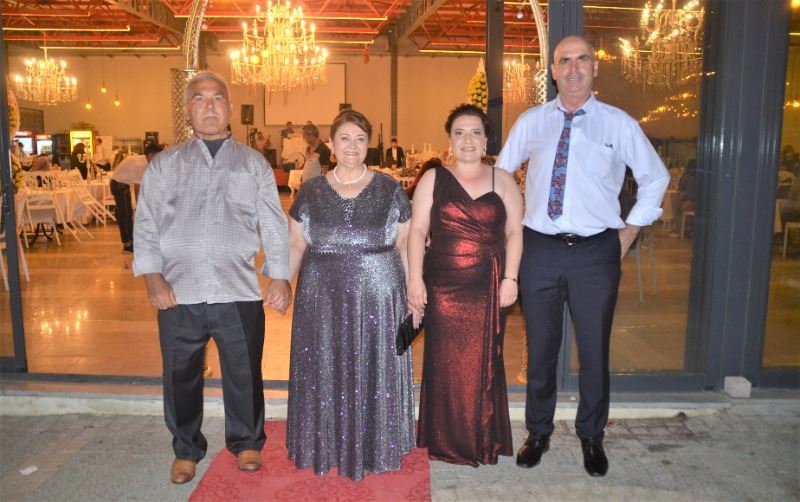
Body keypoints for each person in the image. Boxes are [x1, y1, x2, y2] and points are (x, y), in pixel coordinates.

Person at [496, 35, 670, 477]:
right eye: (564, 61)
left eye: (582, 59)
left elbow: (655, 177)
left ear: (595, 67)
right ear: (553, 71)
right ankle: (538, 431)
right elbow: (500, 176)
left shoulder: (618, 124)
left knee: (593, 348)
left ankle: (592, 434)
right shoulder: (533, 122)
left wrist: (629, 231)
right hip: (539, 248)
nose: (573, 68)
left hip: (596, 251)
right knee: (540, 346)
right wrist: (511, 227)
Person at [133, 71, 292, 485]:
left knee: (244, 371)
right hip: (178, 290)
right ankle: (186, 449)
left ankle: (247, 442)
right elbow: (145, 223)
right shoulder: (165, 165)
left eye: (217, 98)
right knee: (179, 374)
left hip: (237, 289)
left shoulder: (253, 164)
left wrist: (279, 276)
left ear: (229, 108)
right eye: (199, 98)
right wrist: (153, 278)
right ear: (187, 110)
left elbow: (273, 224)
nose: (209, 106)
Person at [285, 109, 415, 481]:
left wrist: (413, 294)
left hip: (379, 296)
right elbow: (296, 244)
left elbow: (406, 245)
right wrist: (280, 283)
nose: (352, 146)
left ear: (369, 144)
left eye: (360, 139)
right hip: (321, 298)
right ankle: (324, 444)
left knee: (374, 368)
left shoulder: (389, 188)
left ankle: (377, 444)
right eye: (345, 138)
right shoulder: (311, 190)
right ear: (331, 143)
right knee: (322, 367)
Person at [407, 104, 523, 466]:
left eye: (475, 132)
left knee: (484, 362)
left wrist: (511, 278)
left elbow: (516, 233)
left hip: (488, 284)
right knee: (445, 362)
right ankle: (446, 440)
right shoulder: (433, 179)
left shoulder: (503, 180)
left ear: (486, 139)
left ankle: (481, 439)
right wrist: (414, 279)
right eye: (459, 132)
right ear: (450, 140)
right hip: (442, 284)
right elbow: (417, 232)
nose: (467, 140)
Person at [111, 142, 164, 253]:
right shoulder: (140, 164)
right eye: (157, 156)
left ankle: (131, 241)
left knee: (128, 214)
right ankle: (127, 245)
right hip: (118, 184)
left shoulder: (143, 161)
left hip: (123, 184)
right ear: (150, 154)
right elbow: (137, 187)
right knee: (124, 215)